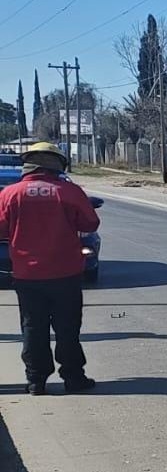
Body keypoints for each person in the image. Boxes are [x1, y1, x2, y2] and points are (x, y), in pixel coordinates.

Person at [0, 142, 100, 395]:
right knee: (68, 328)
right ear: (57, 164)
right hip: (65, 272)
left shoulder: (10, 194)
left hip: (27, 274)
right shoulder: (68, 191)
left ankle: (36, 381)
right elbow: (90, 222)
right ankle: (74, 378)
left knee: (33, 327)